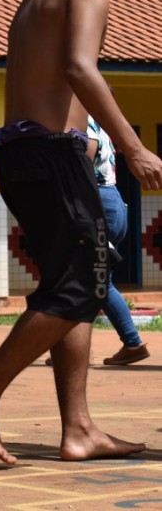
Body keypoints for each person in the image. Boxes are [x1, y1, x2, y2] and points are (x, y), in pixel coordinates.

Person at [0, 0, 162, 464]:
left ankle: (80, 429)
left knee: (72, 289)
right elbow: (80, 68)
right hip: (51, 158)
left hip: (23, 157)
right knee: (81, 288)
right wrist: (134, 147)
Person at [87, 116, 149, 365]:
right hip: (111, 201)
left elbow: (85, 165)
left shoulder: (87, 123)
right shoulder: (102, 126)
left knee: (98, 281)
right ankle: (76, 348)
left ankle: (133, 342)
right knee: (89, 282)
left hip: (97, 201)